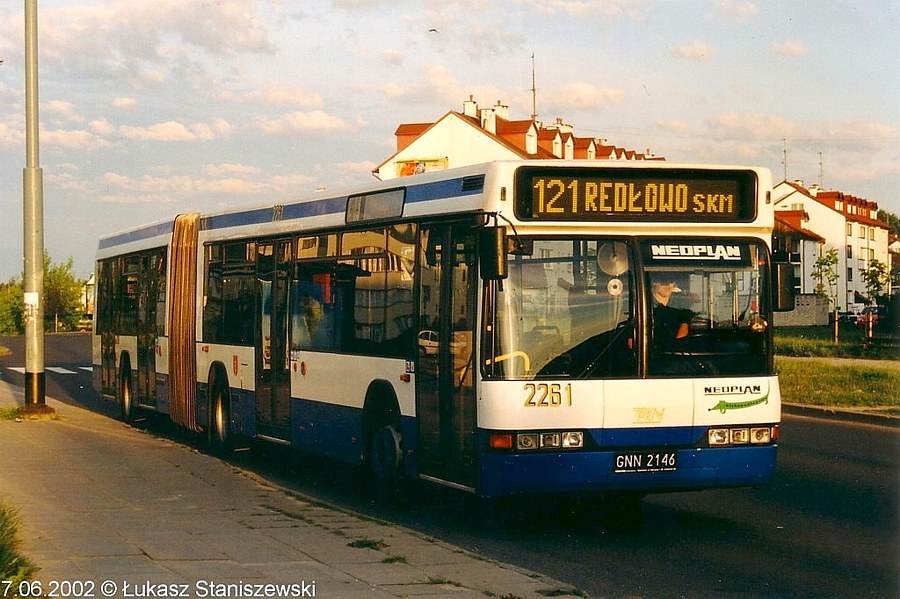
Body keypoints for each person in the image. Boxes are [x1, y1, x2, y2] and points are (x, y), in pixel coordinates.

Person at [651, 277, 692, 347]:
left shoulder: (681, 305)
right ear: (654, 282)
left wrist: (674, 348)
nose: (668, 285)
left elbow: (684, 327)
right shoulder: (643, 303)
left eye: (671, 281)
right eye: (664, 281)